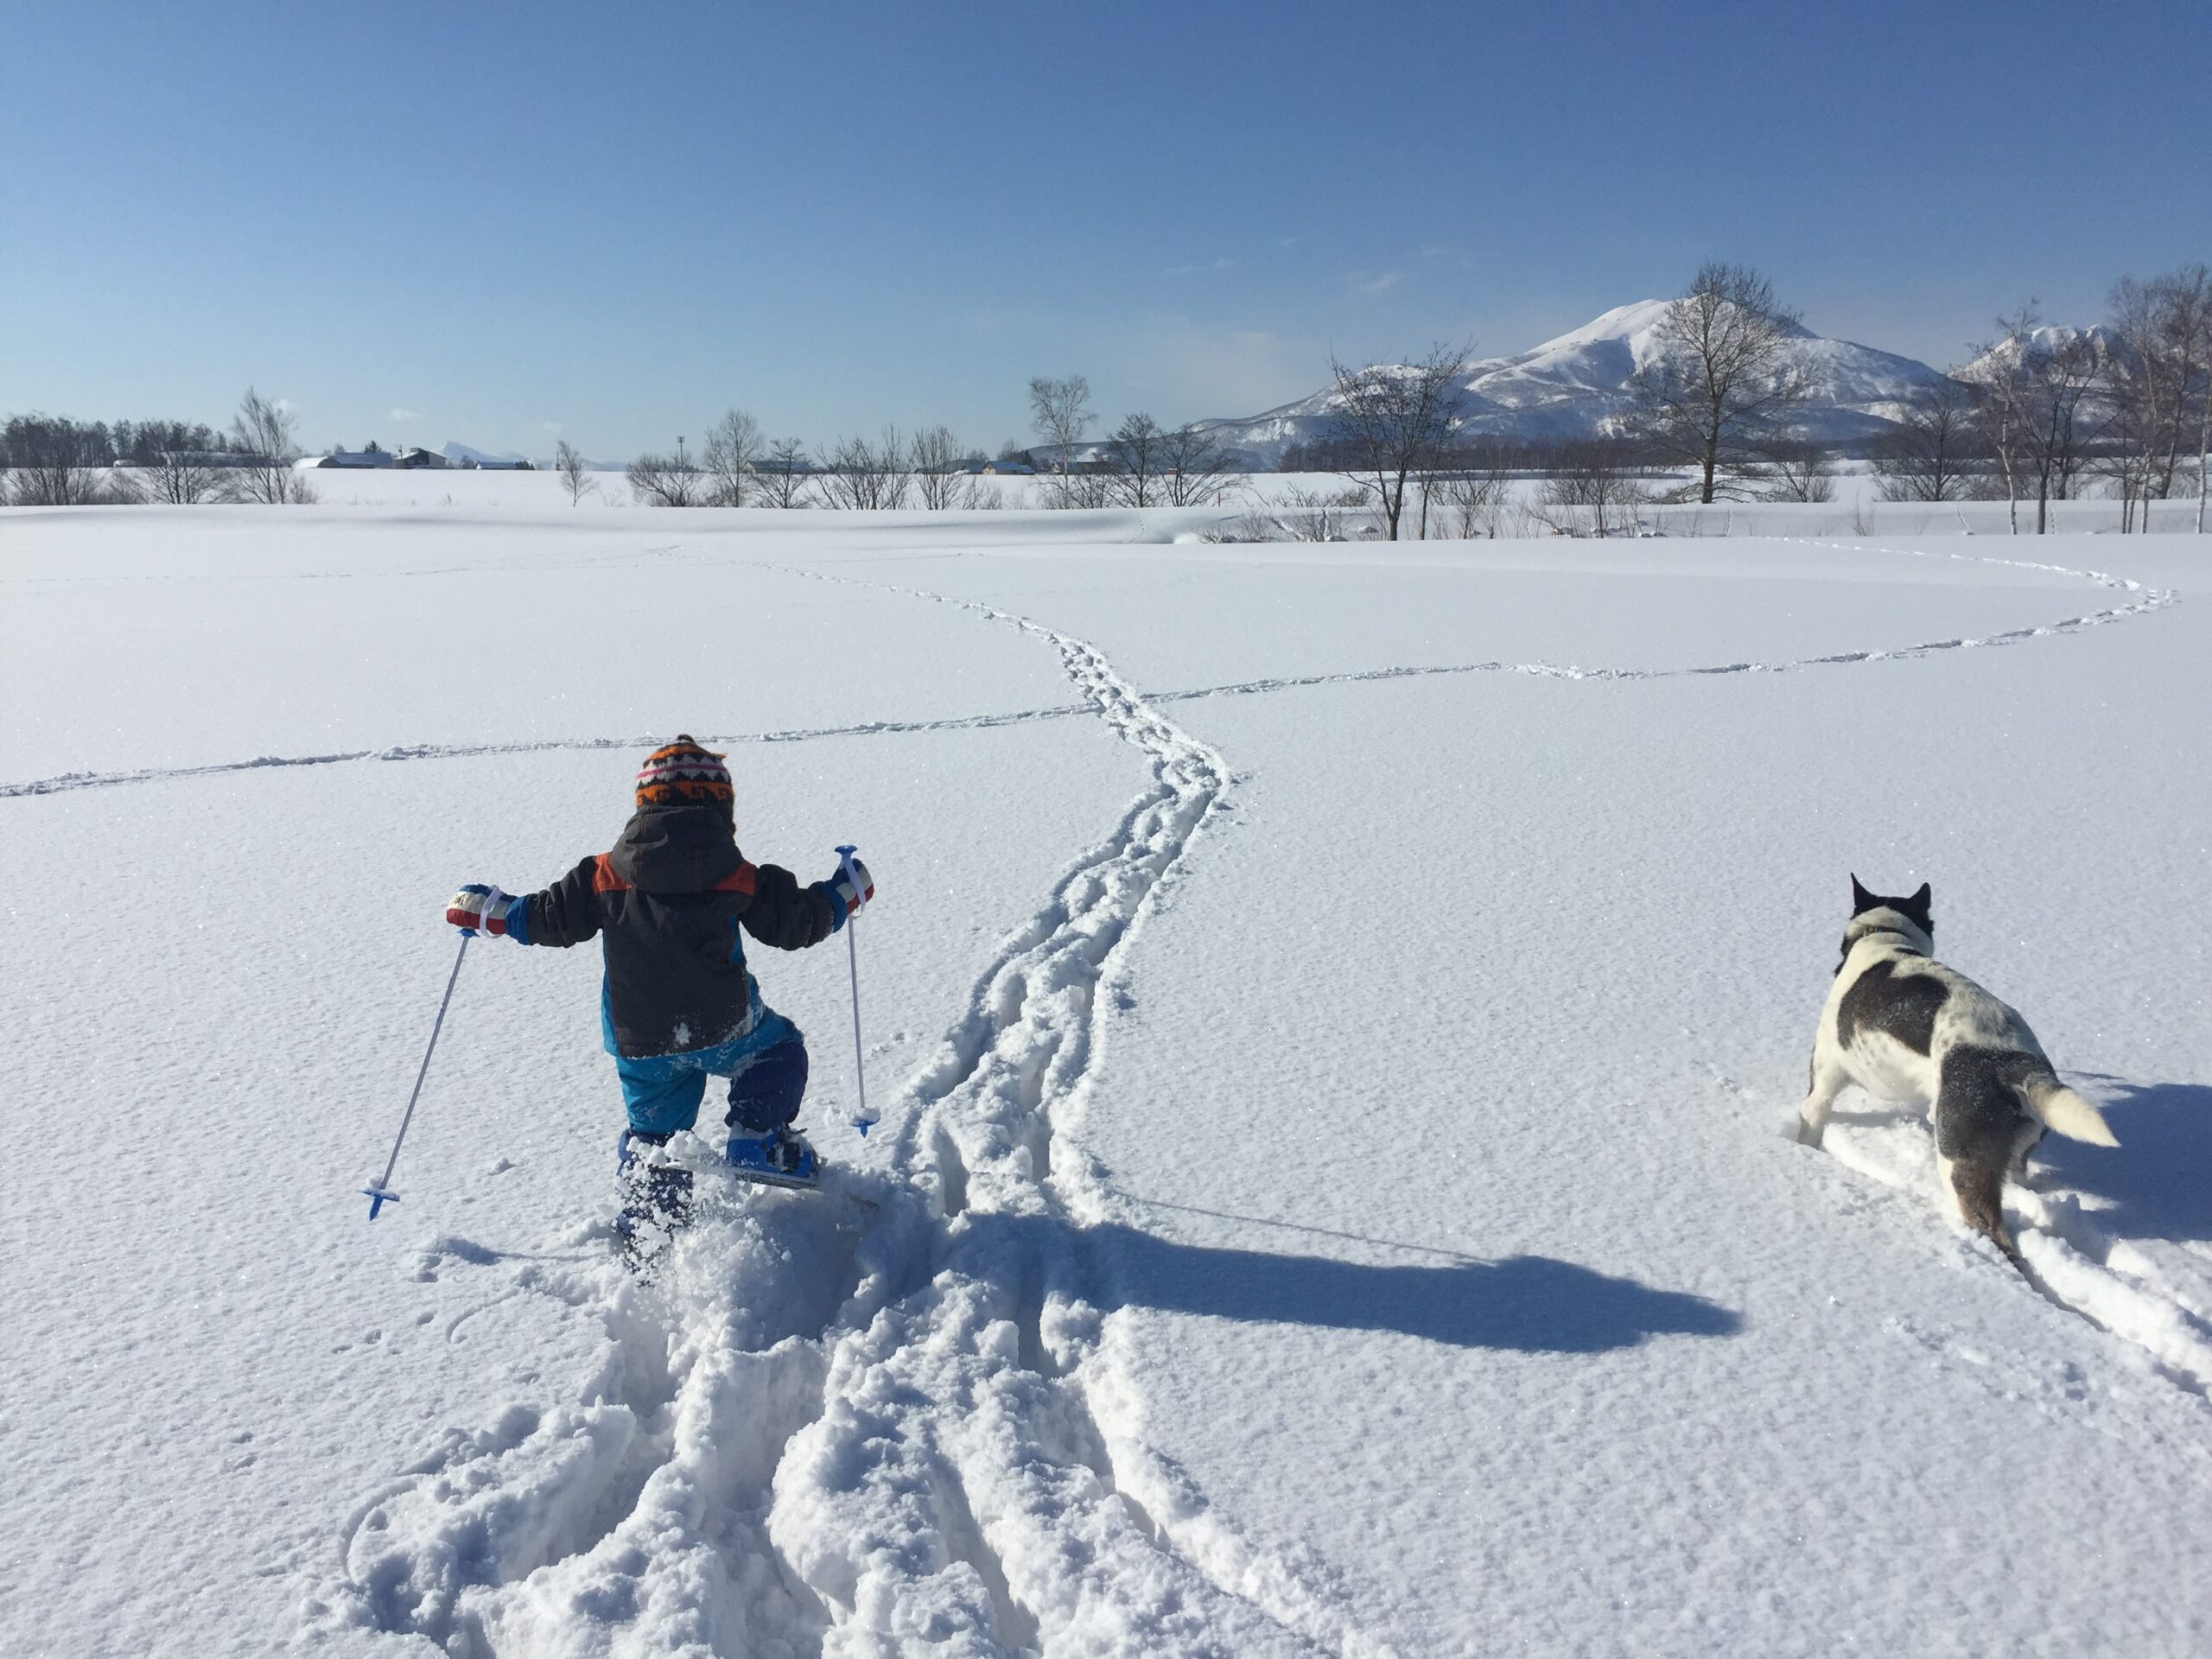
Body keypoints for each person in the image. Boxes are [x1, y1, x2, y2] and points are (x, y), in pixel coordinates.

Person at [443, 735, 872, 1250]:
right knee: (779, 1049)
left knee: (656, 1142)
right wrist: (844, 894)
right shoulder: (737, 876)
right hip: (724, 1026)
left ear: (644, 808)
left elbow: (544, 919)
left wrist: (491, 912)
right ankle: (757, 1135)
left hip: (639, 1041)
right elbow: (796, 922)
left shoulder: (600, 875)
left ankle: (650, 1242)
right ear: (722, 810)